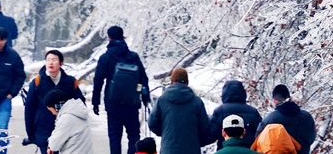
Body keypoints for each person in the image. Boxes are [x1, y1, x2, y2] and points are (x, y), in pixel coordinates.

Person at [92, 26, 150, 154]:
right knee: (134, 136)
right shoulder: (133, 57)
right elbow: (142, 79)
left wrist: (95, 102)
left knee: (114, 137)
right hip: (132, 103)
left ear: (109, 38)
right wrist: (142, 94)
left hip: (113, 104)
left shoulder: (105, 58)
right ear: (123, 37)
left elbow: (98, 81)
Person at [24, 49, 85, 151]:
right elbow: (29, 108)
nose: (50, 62)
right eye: (48, 60)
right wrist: (30, 133)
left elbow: (80, 105)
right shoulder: (37, 82)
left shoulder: (70, 82)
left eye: (54, 60)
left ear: (61, 63)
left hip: (66, 129)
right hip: (43, 130)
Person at [148, 67, 213, 154]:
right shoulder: (197, 102)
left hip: (169, 149)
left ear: (172, 81)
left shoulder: (162, 100)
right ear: (187, 82)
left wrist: (165, 132)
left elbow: (152, 123)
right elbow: (205, 127)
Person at [256, 86, 316, 154]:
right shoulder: (307, 117)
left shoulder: (271, 119)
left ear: (275, 101)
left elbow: (259, 137)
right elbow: (311, 137)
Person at [211, 81, 262, 148]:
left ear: (224, 94)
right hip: (248, 150)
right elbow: (260, 133)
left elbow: (211, 135)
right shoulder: (253, 111)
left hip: (225, 150)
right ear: (243, 93)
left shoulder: (219, 111)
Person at [46, 89, 93, 154]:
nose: (52, 113)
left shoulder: (66, 119)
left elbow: (54, 144)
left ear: (56, 106)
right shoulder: (77, 112)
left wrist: (50, 146)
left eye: (51, 110)